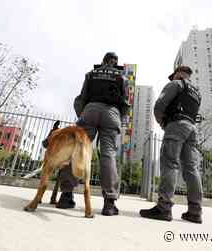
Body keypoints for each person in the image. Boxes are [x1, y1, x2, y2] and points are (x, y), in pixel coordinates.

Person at [59, 52, 129, 215]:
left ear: (103, 61)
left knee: (79, 150)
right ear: (115, 63)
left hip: (90, 109)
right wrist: (119, 118)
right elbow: (125, 103)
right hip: (112, 113)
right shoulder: (121, 77)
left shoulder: (91, 74)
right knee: (108, 155)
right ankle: (109, 203)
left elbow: (81, 98)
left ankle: (66, 195)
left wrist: (82, 115)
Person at [139, 66, 203, 223]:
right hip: (192, 129)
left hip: (176, 125)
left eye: (173, 76)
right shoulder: (196, 93)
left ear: (178, 74)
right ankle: (195, 212)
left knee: (170, 164)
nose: (172, 78)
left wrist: (164, 125)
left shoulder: (176, 84)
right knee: (191, 169)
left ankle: (164, 208)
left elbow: (159, 107)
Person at [42, 120, 78, 209]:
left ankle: (41, 197)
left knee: (46, 173)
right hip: (64, 155)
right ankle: (56, 198)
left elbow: (45, 144)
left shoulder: (55, 133)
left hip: (53, 154)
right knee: (61, 175)